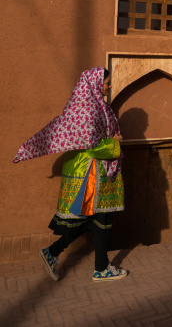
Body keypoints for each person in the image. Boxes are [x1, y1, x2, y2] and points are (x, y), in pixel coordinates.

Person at [13, 67, 128, 282]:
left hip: (94, 171)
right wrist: (116, 143)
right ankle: (100, 269)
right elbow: (92, 146)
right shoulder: (88, 110)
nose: (109, 86)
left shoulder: (95, 106)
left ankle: (54, 253)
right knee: (99, 220)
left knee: (89, 220)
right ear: (94, 83)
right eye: (107, 82)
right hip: (90, 173)